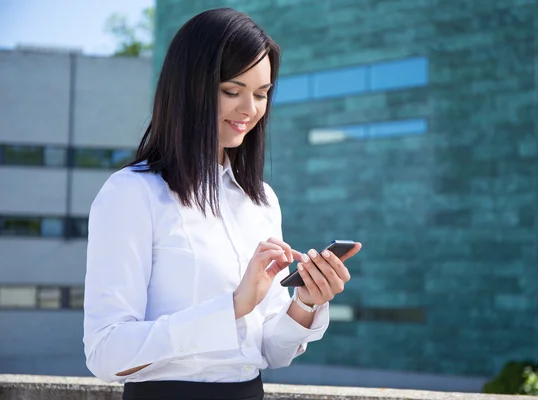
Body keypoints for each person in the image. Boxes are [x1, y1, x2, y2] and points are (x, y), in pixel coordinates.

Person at [83, 7, 362, 400]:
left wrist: (306, 302)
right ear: (190, 88)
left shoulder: (261, 200)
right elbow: (105, 352)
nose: (249, 109)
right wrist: (230, 307)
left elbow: (267, 349)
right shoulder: (132, 194)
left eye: (261, 94)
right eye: (232, 91)